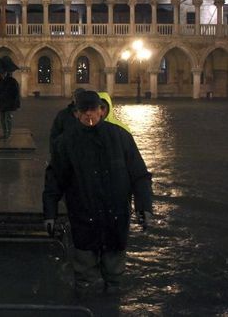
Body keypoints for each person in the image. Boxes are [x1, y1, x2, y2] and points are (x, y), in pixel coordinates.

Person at [43, 90, 153, 296]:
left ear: (102, 111)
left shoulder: (121, 137)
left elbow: (139, 175)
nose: (89, 115)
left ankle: (110, 305)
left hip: (115, 218)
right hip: (84, 218)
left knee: (115, 274)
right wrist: (49, 213)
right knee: (85, 275)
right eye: (84, 111)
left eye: (93, 110)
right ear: (76, 114)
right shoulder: (66, 143)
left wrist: (144, 206)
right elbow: (54, 179)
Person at [49, 87, 86, 153]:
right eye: (77, 97)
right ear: (74, 98)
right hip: (67, 153)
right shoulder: (63, 115)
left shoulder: (89, 114)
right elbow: (54, 136)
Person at [0, 71, 20, 140]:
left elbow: (16, 93)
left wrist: (16, 104)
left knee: (8, 119)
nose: (2, 74)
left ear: (7, 73)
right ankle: (5, 133)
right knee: (2, 119)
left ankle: (8, 134)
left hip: (9, 103)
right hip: (1, 103)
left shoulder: (12, 81)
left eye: (4, 72)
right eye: (1, 73)